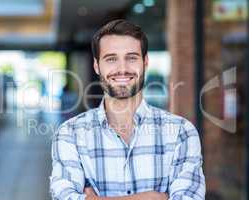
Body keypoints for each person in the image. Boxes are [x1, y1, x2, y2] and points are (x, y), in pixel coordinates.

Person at [50, 19, 205, 200]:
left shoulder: (182, 132)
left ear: (145, 62)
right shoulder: (69, 134)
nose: (122, 69)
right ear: (96, 66)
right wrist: (153, 197)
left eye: (131, 57)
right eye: (111, 59)